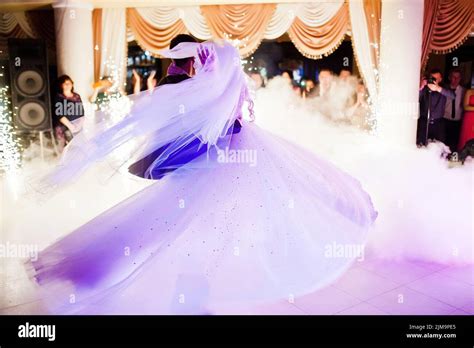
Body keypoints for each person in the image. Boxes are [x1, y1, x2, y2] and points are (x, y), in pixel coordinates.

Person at [31, 39, 377, 314]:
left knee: (193, 224)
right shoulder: (218, 88)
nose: (198, 65)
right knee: (191, 223)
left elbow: (212, 126)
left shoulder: (205, 88)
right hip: (222, 162)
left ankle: (185, 292)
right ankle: (180, 292)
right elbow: (226, 124)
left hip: (220, 163)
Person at [416, 68, 455, 146]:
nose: (434, 80)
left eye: (436, 79)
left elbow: (453, 96)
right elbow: (415, 97)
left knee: (439, 145)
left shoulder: (444, 87)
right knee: (421, 144)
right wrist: (421, 86)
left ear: (440, 79)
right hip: (424, 121)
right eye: (432, 78)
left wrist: (437, 88)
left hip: (438, 122)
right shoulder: (425, 88)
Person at [53, 75, 84, 151]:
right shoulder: (59, 97)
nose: (67, 85)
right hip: (63, 127)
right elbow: (59, 114)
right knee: (65, 148)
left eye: (69, 83)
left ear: (72, 84)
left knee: (78, 148)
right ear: (61, 85)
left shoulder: (77, 96)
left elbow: (81, 112)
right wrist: (71, 126)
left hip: (77, 127)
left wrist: (78, 126)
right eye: (65, 83)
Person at [443, 69, 466, 152]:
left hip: (457, 122)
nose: (456, 79)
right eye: (453, 77)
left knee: (454, 144)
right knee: (443, 143)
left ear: (460, 78)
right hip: (444, 120)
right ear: (449, 77)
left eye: (458, 77)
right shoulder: (443, 89)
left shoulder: (464, 91)